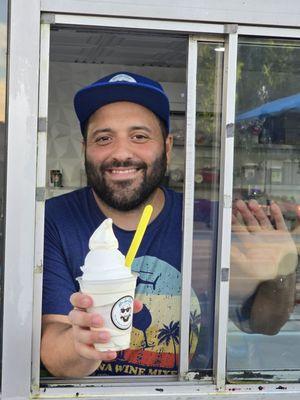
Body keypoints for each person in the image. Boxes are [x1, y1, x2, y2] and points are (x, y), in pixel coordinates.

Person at [41, 72, 298, 378]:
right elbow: (54, 349)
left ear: (167, 145)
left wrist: (282, 271)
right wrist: (82, 343)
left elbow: (265, 325)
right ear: (85, 147)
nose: (121, 153)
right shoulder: (55, 218)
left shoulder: (206, 220)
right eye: (104, 138)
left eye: (139, 136)